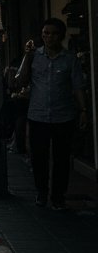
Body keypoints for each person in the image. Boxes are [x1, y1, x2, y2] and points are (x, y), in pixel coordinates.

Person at [14, 18, 90, 209]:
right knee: (39, 158)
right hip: (38, 115)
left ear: (61, 36)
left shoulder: (69, 59)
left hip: (63, 116)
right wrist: (27, 57)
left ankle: (58, 196)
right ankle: (41, 192)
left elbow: (77, 87)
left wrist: (83, 110)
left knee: (62, 159)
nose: (49, 37)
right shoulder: (34, 56)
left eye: (54, 33)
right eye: (46, 33)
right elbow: (21, 81)